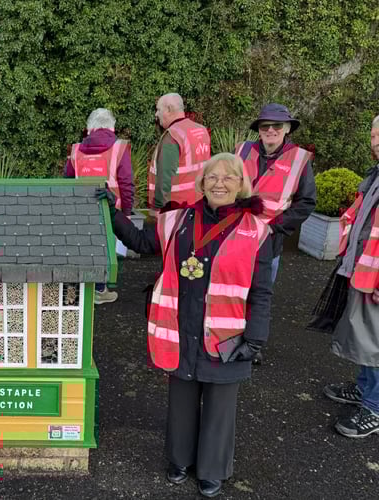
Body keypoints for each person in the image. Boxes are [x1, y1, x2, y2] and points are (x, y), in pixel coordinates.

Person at [98, 153, 273, 498]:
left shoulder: (258, 231)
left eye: (228, 178)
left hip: (227, 336)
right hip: (180, 328)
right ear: (202, 183)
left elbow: (262, 292)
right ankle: (179, 460)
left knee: (220, 408)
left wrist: (254, 340)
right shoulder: (177, 220)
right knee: (181, 400)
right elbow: (140, 242)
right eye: (212, 177)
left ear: (241, 185)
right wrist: (112, 210)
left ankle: (211, 471)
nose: (219, 183)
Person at [236, 103, 316, 364]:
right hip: (234, 237)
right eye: (264, 126)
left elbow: (306, 202)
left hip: (270, 240)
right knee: (232, 290)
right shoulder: (242, 151)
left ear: (288, 129)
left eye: (276, 126)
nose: (270, 130)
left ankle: (253, 344)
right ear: (258, 130)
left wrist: (274, 226)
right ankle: (228, 336)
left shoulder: (299, 159)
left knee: (260, 293)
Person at [315, 115, 379, 438]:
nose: (376, 140)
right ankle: (365, 388)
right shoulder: (376, 174)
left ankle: (375, 408)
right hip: (365, 271)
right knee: (368, 339)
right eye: (373, 134)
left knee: (377, 342)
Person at [64, 108, 134, 304]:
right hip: (110, 210)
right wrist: (126, 213)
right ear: (112, 127)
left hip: (80, 210)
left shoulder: (76, 150)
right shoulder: (119, 148)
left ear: (89, 129)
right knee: (104, 249)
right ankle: (100, 291)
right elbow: (126, 183)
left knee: (80, 249)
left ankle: (76, 291)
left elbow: (67, 179)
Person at [147, 93, 211, 213]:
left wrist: (157, 208)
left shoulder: (172, 136)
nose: (156, 114)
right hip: (198, 205)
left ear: (169, 109)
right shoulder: (201, 130)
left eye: (158, 110)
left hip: (174, 209)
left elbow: (164, 179)